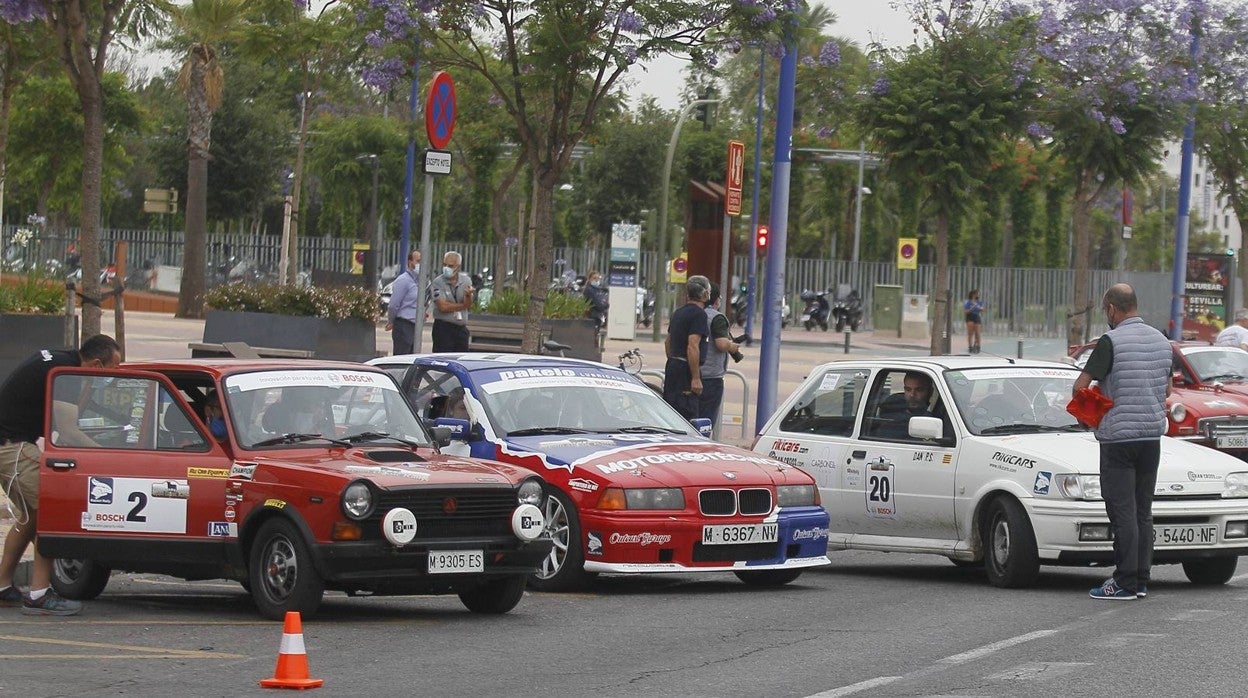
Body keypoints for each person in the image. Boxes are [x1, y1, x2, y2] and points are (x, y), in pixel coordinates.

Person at [0, 334, 122, 616]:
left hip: (11, 443)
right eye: (113, 369)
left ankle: (4, 586)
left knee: (29, 517)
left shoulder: (59, 359)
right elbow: (69, 431)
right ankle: (40, 594)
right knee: (51, 514)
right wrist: (109, 455)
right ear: (95, 365)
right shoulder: (66, 374)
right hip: (12, 447)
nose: (113, 376)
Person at [1073, 283, 1171, 600]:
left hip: (1118, 440)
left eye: (1106, 311)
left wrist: (1088, 413)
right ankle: (1142, 579)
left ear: (1112, 309)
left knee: (1122, 511)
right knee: (1143, 511)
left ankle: (1124, 581)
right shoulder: (1162, 341)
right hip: (1151, 438)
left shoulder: (1110, 341)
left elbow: (1080, 386)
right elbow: (1167, 391)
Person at [662, 276, 711, 420]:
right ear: (705, 294)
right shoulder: (699, 315)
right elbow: (693, 345)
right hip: (686, 370)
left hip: (672, 367)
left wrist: (674, 361)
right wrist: (695, 377)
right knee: (688, 415)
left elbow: (668, 342)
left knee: (671, 414)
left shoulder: (678, 313)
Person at [698, 283, 745, 424]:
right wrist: (732, 346)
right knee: (705, 421)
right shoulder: (716, 318)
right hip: (710, 377)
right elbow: (722, 344)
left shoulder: (687, 313)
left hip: (688, 374)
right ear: (716, 299)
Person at [430, 251, 475, 352]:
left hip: (460, 328)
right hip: (443, 328)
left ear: (458, 267)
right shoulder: (438, 282)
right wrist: (462, 305)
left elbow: (468, 304)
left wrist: (467, 296)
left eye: (450, 266)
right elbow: (443, 307)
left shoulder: (466, 281)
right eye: (444, 265)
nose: (446, 268)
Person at [385, 249, 422, 355]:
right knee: (402, 357)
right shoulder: (404, 280)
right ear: (410, 262)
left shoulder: (420, 281)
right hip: (404, 325)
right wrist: (391, 321)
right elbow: (393, 305)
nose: (421, 265)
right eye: (418, 261)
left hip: (415, 326)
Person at [964, 289, 984, 354]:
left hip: (977, 316)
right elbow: (966, 311)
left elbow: (982, 309)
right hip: (970, 317)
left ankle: (978, 346)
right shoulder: (968, 302)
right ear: (973, 294)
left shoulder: (979, 302)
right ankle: (970, 347)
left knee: (978, 333)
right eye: (977, 293)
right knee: (970, 333)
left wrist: (979, 308)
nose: (978, 295)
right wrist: (971, 309)